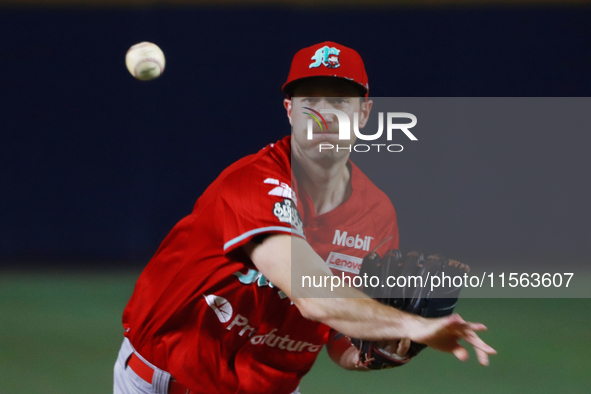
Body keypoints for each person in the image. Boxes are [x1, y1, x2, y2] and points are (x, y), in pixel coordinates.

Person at [113, 41, 496, 394]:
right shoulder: (252, 182)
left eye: (340, 102)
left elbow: (337, 339)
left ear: (364, 113)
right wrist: (415, 325)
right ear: (289, 110)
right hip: (168, 381)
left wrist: (376, 351)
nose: (324, 115)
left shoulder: (376, 214)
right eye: (310, 100)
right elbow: (314, 296)